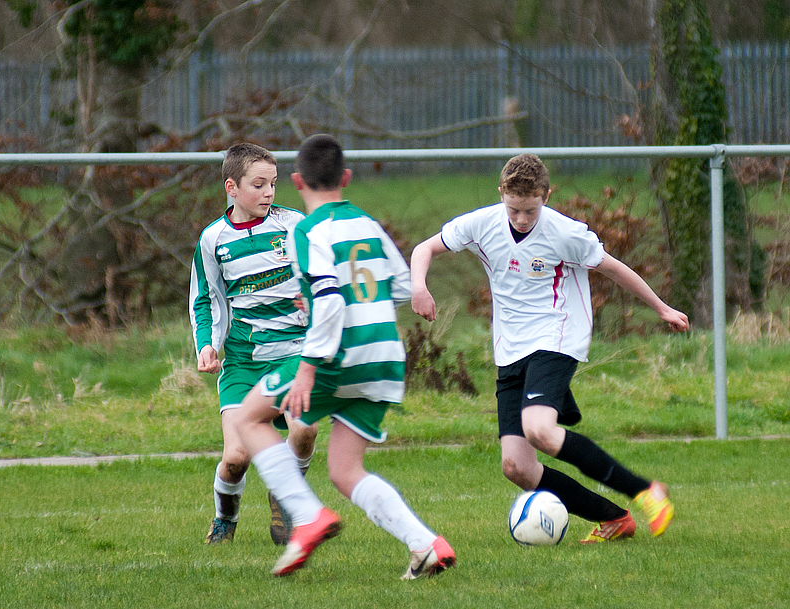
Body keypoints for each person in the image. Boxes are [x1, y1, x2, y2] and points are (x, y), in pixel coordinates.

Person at [410, 153, 689, 543]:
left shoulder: (565, 233)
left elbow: (614, 268)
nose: (522, 219)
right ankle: (613, 518)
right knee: (516, 467)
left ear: (546, 195)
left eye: (530, 210)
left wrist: (661, 308)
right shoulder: (481, 224)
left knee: (539, 429)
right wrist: (419, 287)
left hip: (558, 335)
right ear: (501, 194)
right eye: (514, 209)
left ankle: (646, 491)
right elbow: (424, 249)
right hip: (510, 347)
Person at [234, 133, 456, 578]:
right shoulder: (369, 224)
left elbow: (332, 301)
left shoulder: (306, 230)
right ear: (347, 178)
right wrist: (416, 292)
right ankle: (426, 544)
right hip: (385, 358)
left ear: (297, 181)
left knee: (249, 419)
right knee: (345, 469)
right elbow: (396, 286)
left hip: (339, 355)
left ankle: (307, 516)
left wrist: (308, 370)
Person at [190, 142, 318, 546]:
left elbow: (323, 276)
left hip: (295, 353)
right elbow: (205, 298)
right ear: (231, 186)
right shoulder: (213, 239)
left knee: (304, 431)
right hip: (244, 362)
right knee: (235, 459)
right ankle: (224, 519)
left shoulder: (293, 225)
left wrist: (313, 299)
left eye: (273, 184)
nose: (268, 193)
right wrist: (207, 345)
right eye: (258, 184)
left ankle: (286, 497)